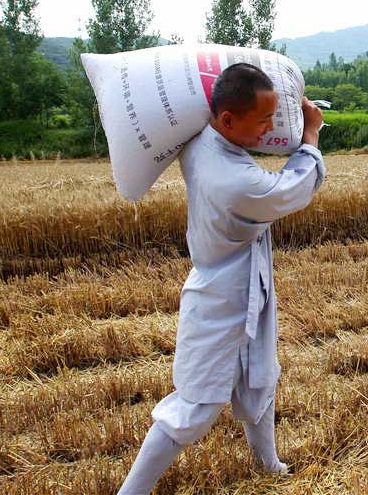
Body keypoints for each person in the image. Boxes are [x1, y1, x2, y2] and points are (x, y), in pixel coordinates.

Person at [116, 63, 326, 494]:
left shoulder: (203, 142)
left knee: (261, 373)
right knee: (194, 407)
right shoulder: (237, 182)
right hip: (219, 301)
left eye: (274, 118)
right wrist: (310, 138)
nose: (271, 127)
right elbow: (293, 189)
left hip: (248, 288)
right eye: (264, 120)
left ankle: (267, 463)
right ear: (228, 119)